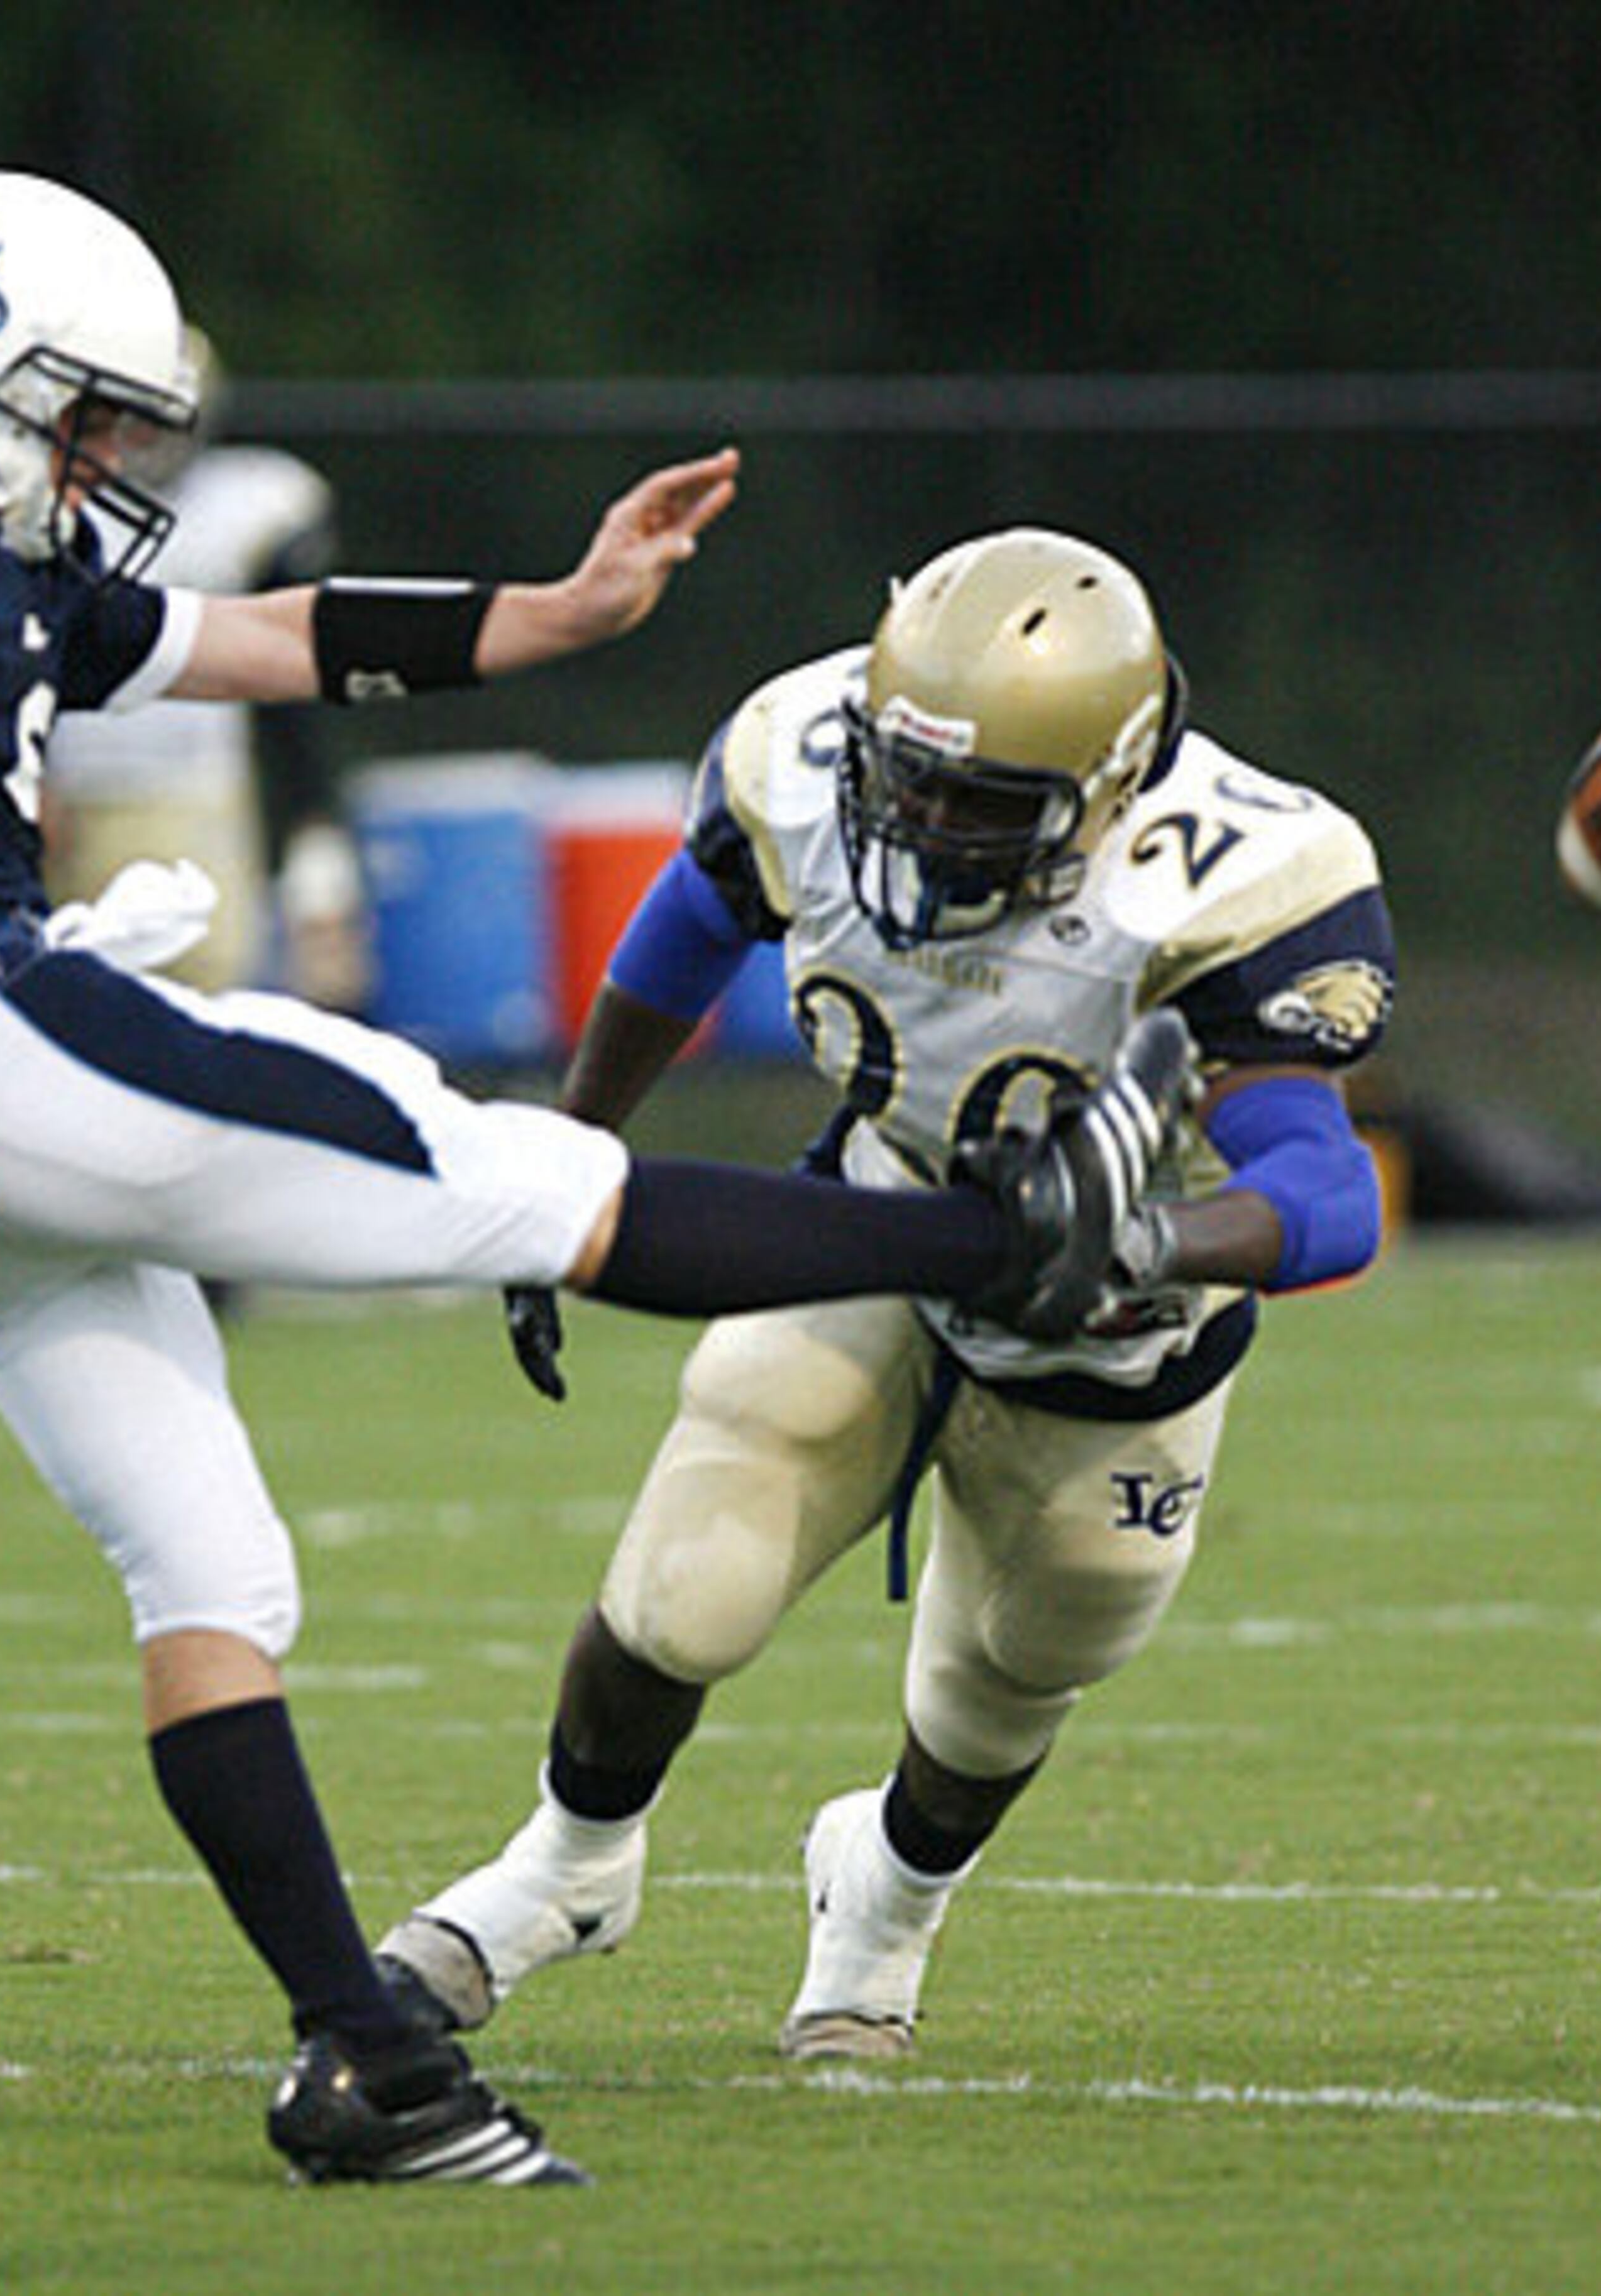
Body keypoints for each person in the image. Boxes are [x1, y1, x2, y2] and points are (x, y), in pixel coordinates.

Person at [0, 171, 1183, 2189]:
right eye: (80, 412)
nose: (108, 459)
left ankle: (366, 2059)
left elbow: (258, 634)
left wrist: (552, 612)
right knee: (512, 1175)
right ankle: (1010, 1237)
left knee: (212, 1574)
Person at [375, 527, 1396, 2063]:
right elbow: (691, 917)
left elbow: (1326, 1192)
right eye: (898, 778)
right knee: (688, 1572)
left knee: (1026, 1665)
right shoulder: (801, 751)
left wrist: (1146, 1243)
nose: (914, 822)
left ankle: (883, 1908)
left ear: (1108, 783)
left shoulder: (1229, 878)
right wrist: (570, 1150)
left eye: (970, 801)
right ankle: (563, 1869)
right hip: (881, 1217)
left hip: (1119, 1332)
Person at [41, 324, 336, 995]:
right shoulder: (48, 506)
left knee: (206, 987)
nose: (145, 439)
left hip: (199, 790)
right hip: (77, 793)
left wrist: (313, 823)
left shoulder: (253, 505)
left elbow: (295, 688)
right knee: (78, 993)